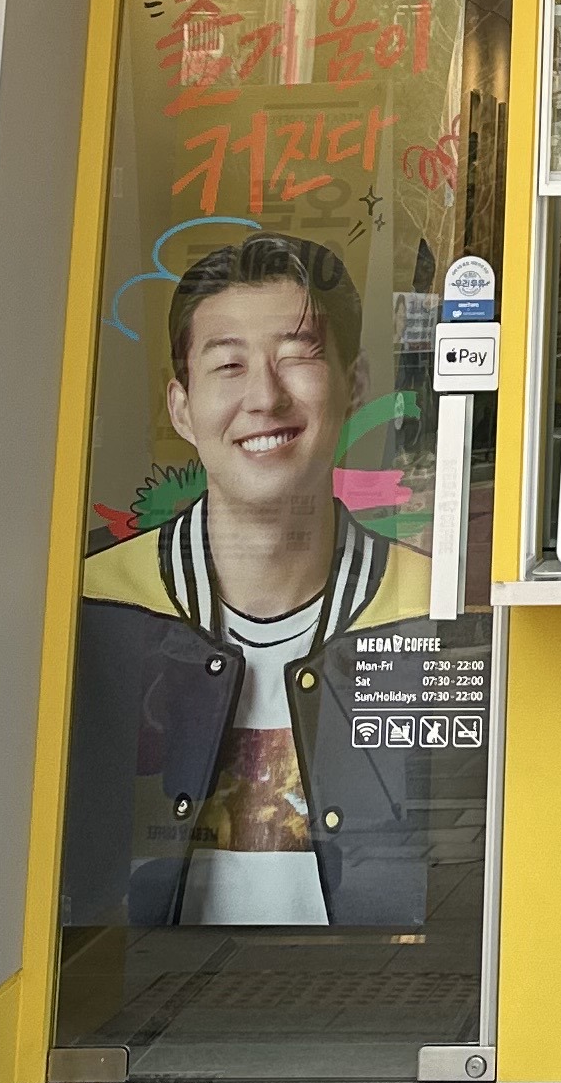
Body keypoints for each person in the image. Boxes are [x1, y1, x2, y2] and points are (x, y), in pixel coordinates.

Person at [69, 233, 434, 934]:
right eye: (228, 366)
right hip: (141, 999)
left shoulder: (428, 605)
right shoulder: (91, 605)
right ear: (181, 407)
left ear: (355, 382)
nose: (264, 397)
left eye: (296, 357)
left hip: (379, 991)